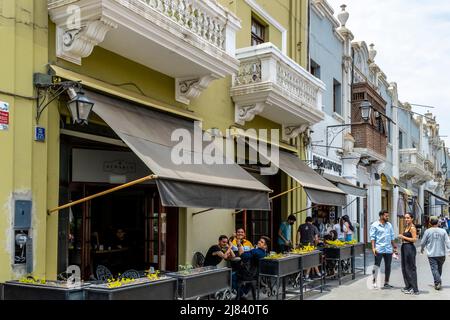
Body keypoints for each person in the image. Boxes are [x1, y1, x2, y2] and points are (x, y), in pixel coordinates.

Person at [370, 210, 398, 289]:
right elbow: (373, 238)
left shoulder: (389, 225)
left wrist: (394, 247)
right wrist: (373, 248)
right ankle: (374, 282)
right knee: (377, 265)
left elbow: (392, 237)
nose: (387, 217)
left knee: (388, 266)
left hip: (388, 249)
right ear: (381, 216)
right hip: (379, 249)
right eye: (386, 216)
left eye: (388, 216)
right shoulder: (375, 225)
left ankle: (386, 283)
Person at [420, 216, 450, 290]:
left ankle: (438, 281)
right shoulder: (443, 231)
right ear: (438, 223)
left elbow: (422, 242)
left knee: (434, 269)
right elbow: (447, 242)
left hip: (432, 254)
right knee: (439, 269)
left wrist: (422, 249)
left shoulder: (427, 231)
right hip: (442, 254)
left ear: (430, 223)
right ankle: (437, 283)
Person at [398, 213, 419, 295]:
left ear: (412, 218)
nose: (406, 219)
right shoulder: (407, 226)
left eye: (408, 218)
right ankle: (408, 286)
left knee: (411, 268)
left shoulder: (412, 227)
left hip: (409, 248)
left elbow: (414, 239)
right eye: (405, 218)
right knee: (405, 268)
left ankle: (415, 289)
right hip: (404, 247)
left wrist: (403, 237)